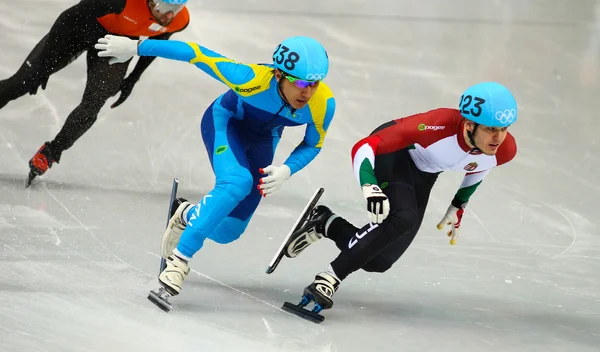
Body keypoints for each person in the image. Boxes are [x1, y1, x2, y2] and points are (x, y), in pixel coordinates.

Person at [94, 33, 336, 297]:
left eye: (314, 83)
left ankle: (186, 214)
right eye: (300, 82)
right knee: (237, 182)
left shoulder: (323, 103)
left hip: (263, 139)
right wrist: (136, 47)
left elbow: (313, 144)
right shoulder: (250, 78)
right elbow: (194, 52)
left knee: (228, 232)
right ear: (278, 74)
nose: (308, 92)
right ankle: (179, 261)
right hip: (226, 122)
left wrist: (288, 169)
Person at [282, 82, 518, 312]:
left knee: (379, 261)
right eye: (490, 129)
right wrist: (369, 186)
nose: (498, 137)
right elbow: (365, 146)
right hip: (393, 154)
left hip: (424, 174)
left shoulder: (504, 149)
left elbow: (481, 166)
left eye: (504, 128)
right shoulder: (436, 126)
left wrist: (458, 204)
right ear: (469, 125)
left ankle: (326, 223)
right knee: (404, 217)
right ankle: (328, 279)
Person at [0, 0, 192, 185]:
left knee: (94, 103)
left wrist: (133, 78)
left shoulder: (178, 20)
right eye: (163, 6)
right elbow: (68, 18)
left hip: (118, 43)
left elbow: (155, 46)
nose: (168, 15)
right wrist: (45, 61)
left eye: (176, 9)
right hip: (84, 28)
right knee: (23, 82)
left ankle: (50, 153)